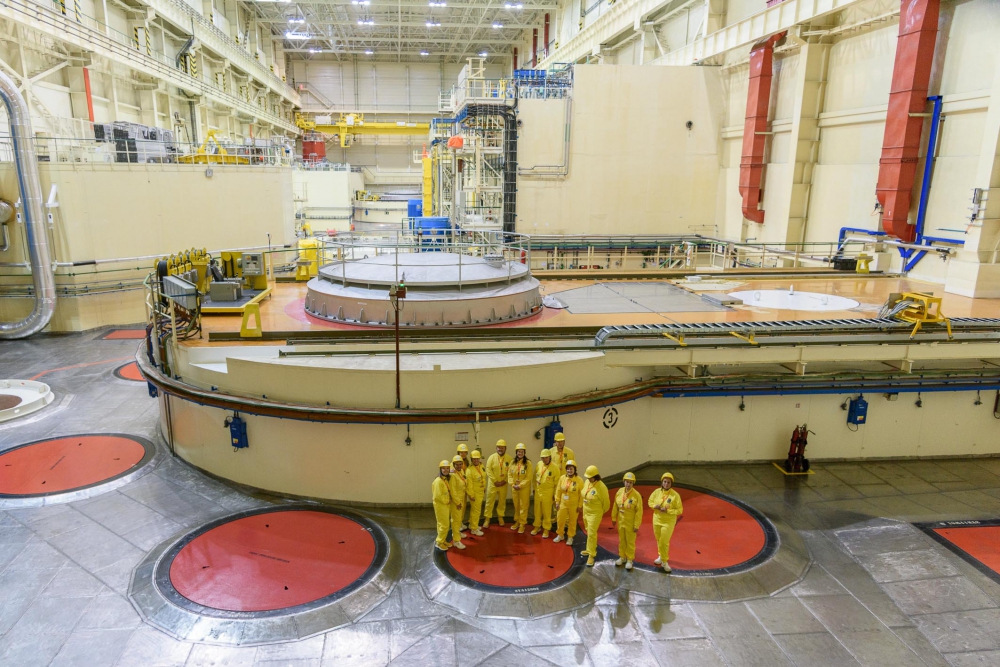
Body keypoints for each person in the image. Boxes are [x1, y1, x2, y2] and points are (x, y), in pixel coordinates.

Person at [648, 471, 683, 572]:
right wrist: (654, 506)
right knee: (659, 539)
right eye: (665, 482)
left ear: (671, 484)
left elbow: (680, 510)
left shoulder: (675, 495)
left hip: (668, 522)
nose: (666, 484)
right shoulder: (656, 492)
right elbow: (650, 501)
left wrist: (668, 511)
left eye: (668, 482)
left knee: (664, 541)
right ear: (662, 482)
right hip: (657, 520)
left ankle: (664, 561)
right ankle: (661, 555)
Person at [612, 472, 643, 570]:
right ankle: (622, 557)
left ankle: (629, 559)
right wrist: (613, 518)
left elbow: (639, 512)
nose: (628, 484)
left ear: (633, 483)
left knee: (630, 542)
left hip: (630, 523)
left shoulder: (636, 495)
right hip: (621, 522)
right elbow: (615, 505)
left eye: (630, 482)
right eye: (627, 482)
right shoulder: (619, 492)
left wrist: (636, 525)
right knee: (622, 540)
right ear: (624, 482)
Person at [580, 465, 610, 567]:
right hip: (586, 511)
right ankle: (589, 549)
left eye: (590, 477)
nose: (588, 479)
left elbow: (606, 504)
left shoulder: (601, 487)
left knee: (592, 533)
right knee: (588, 531)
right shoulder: (587, 482)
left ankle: (592, 555)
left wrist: (600, 512)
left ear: (595, 476)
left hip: (595, 514)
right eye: (587, 477)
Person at [553, 460, 583, 545]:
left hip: (574, 505)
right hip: (563, 503)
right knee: (560, 520)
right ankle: (560, 535)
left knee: (572, 522)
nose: (569, 470)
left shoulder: (579, 480)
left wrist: (580, 505)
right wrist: (557, 502)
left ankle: (570, 537)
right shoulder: (562, 478)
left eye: (571, 469)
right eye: (568, 469)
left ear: (575, 469)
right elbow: (558, 490)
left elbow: (581, 494)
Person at [483, 439, 512, 528]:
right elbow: (488, 470)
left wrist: (505, 480)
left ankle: (500, 517)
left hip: (503, 484)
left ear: (505, 448)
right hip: (493, 484)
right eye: (498, 447)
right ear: (496, 448)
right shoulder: (491, 458)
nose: (500, 449)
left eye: (502, 447)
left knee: (502, 501)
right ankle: (487, 519)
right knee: (489, 501)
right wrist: (495, 481)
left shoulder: (509, 459)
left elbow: (511, 471)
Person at [531, 448, 558, 537]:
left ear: (550, 457)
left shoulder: (555, 467)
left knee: (547, 512)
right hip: (538, 491)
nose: (544, 459)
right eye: (542, 458)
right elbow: (534, 477)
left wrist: (555, 494)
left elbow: (557, 483)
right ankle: (537, 526)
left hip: (548, 492)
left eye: (546, 457)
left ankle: (546, 529)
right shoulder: (539, 464)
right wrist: (534, 488)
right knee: (537, 511)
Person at [508, 443, 532, 533]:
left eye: (522, 452)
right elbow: (509, 475)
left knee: (523, 506)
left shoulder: (528, 463)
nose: (520, 453)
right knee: (516, 505)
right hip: (514, 488)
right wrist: (512, 484)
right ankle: (517, 521)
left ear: (524, 452)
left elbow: (528, 477)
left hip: (524, 489)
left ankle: (522, 524)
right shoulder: (512, 462)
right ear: (516, 452)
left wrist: (520, 485)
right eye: (518, 451)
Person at [432, 460, 454, 551]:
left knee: (442, 524)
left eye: (447, 468)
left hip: (445, 505)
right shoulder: (438, 481)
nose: (446, 470)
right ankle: (439, 542)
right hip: (441, 506)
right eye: (443, 468)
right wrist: (447, 501)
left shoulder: (444, 479)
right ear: (440, 469)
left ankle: (443, 539)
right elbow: (437, 496)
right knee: (444, 525)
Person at [448, 455, 467, 550]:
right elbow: (453, 491)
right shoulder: (452, 475)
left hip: (461, 499)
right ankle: (456, 541)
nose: (459, 466)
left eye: (460, 464)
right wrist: (457, 502)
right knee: (455, 520)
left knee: (459, 519)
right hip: (456, 501)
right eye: (457, 464)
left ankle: (457, 533)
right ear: (453, 464)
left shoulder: (461, 471)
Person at [465, 450, 487, 536]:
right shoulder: (469, 470)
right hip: (475, 493)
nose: (476, 460)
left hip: (481, 491)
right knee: (476, 511)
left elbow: (483, 478)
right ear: (471, 459)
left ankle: (471, 524)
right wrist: (471, 495)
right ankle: (474, 529)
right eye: (474, 459)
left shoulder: (481, 466)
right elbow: (469, 484)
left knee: (474, 510)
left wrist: (484, 487)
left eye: (477, 458)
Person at [455, 443, 471, 529]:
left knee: (463, 507)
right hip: (458, 490)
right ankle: (457, 525)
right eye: (461, 452)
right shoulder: (454, 462)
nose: (463, 454)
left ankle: (460, 523)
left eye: (465, 452)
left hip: (464, 489)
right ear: (458, 453)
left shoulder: (467, 462)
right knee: (458, 508)